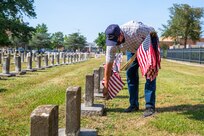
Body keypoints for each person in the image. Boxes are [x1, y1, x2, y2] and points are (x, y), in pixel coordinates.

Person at [103, 20, 160, 117]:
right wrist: (106, 87)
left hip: (147, 45)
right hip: (132, 50)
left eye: (116, 41)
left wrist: (151, 53)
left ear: (121, 34)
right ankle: (133, 105)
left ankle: (150, 106)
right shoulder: (111, 46)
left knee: (150, 74)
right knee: (130, 74)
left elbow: (153, 33)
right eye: (112, 42)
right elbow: (108, 66)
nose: (114, 44)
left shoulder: (136, 30)